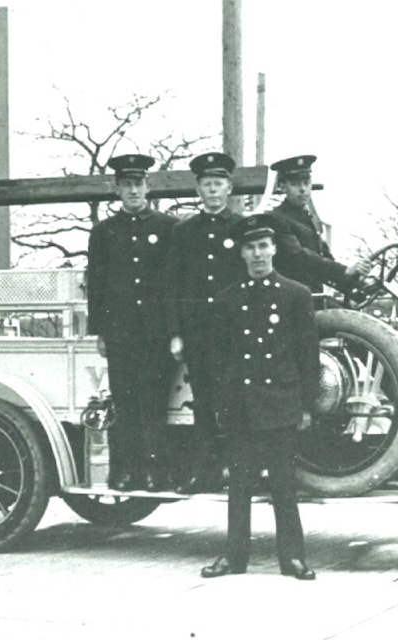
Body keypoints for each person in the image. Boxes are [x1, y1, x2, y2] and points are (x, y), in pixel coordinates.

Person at [200, 214, 318, 580]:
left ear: (274, 249)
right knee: (240, 488)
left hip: (281, 403)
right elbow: (217, 359)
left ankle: (293, 559)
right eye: (250, 247)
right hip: (242, 407)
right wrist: (223, 403)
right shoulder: (226, 300)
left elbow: (307, 355)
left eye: (263, 246)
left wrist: (307, 405)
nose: (257, 254)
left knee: (284, 487)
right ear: (241, 253)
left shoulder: (296, 295)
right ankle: (234, 558)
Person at [87, 153, 177, 491]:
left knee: (154, 404)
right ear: (117, 189)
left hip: (156, 333)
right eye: (126, 185)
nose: (133, 190)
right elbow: (96, 282)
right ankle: (123, 471)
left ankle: (153, 472)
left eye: (138, 184)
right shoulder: (104, 232)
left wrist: (173, 331)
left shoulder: (167, 227)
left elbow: (173, 281)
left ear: (148, 186)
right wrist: (99, 331)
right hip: (121, 333)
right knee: (124, 404)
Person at [166, 152, 246, 493]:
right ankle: (208, 472)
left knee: (237, 403)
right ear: (198, 188)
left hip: (234, 333)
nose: (213, 190)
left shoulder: (241, 227)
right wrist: (176, 333)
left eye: (219, 183)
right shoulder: (184, 231)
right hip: (198, 333)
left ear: (229, 187)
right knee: (204, 404)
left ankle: (240, 471)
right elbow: (173, 283)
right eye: (206, 184)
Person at [267, 154, 372, 294]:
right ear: (282, 187)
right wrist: (344, 271)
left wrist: (354, 280)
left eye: (306, 183)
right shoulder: (276, 219)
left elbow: (324, 258)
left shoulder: (309, 219)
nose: (303, 189)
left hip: (311, 296)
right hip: (289, 298)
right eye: (295, 184)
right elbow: (299, 257)